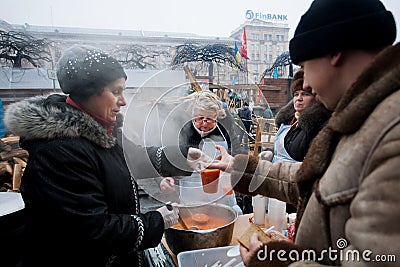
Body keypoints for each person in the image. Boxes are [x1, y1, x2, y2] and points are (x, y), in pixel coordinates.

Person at [205, 0, 400, 265]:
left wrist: (274, 264)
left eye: (306, 66)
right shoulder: (364, 118)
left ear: (334, 52)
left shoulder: (391, 133)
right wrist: (238, 167)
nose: (305, 82)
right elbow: (312, 180)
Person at [3, 45, 192, 267]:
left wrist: (184, 157)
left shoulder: (103, 129)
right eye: (116, 91)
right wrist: (157, 221)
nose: (123, 101)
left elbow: (136, 158)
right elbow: (94, 232)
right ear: (88, 93)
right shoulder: (59, 151)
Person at [160, 90, 248, 213]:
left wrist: (235, 172)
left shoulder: (224, 129)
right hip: (192, 193)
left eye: (209, 119)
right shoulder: (184, 131)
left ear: (216, 117)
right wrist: (168, 178)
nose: (204, 123)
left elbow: (237, 153)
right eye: (200, 118)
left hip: (221, 192)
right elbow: (172, 158)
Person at [271, 69, 332, 214]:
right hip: (275, 184)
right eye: (296, 94)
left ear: (315, 98)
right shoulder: (290, 120)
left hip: (295, 190)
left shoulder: (317, 125)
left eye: (305, 94)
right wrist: (270, 154)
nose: (299, 98)